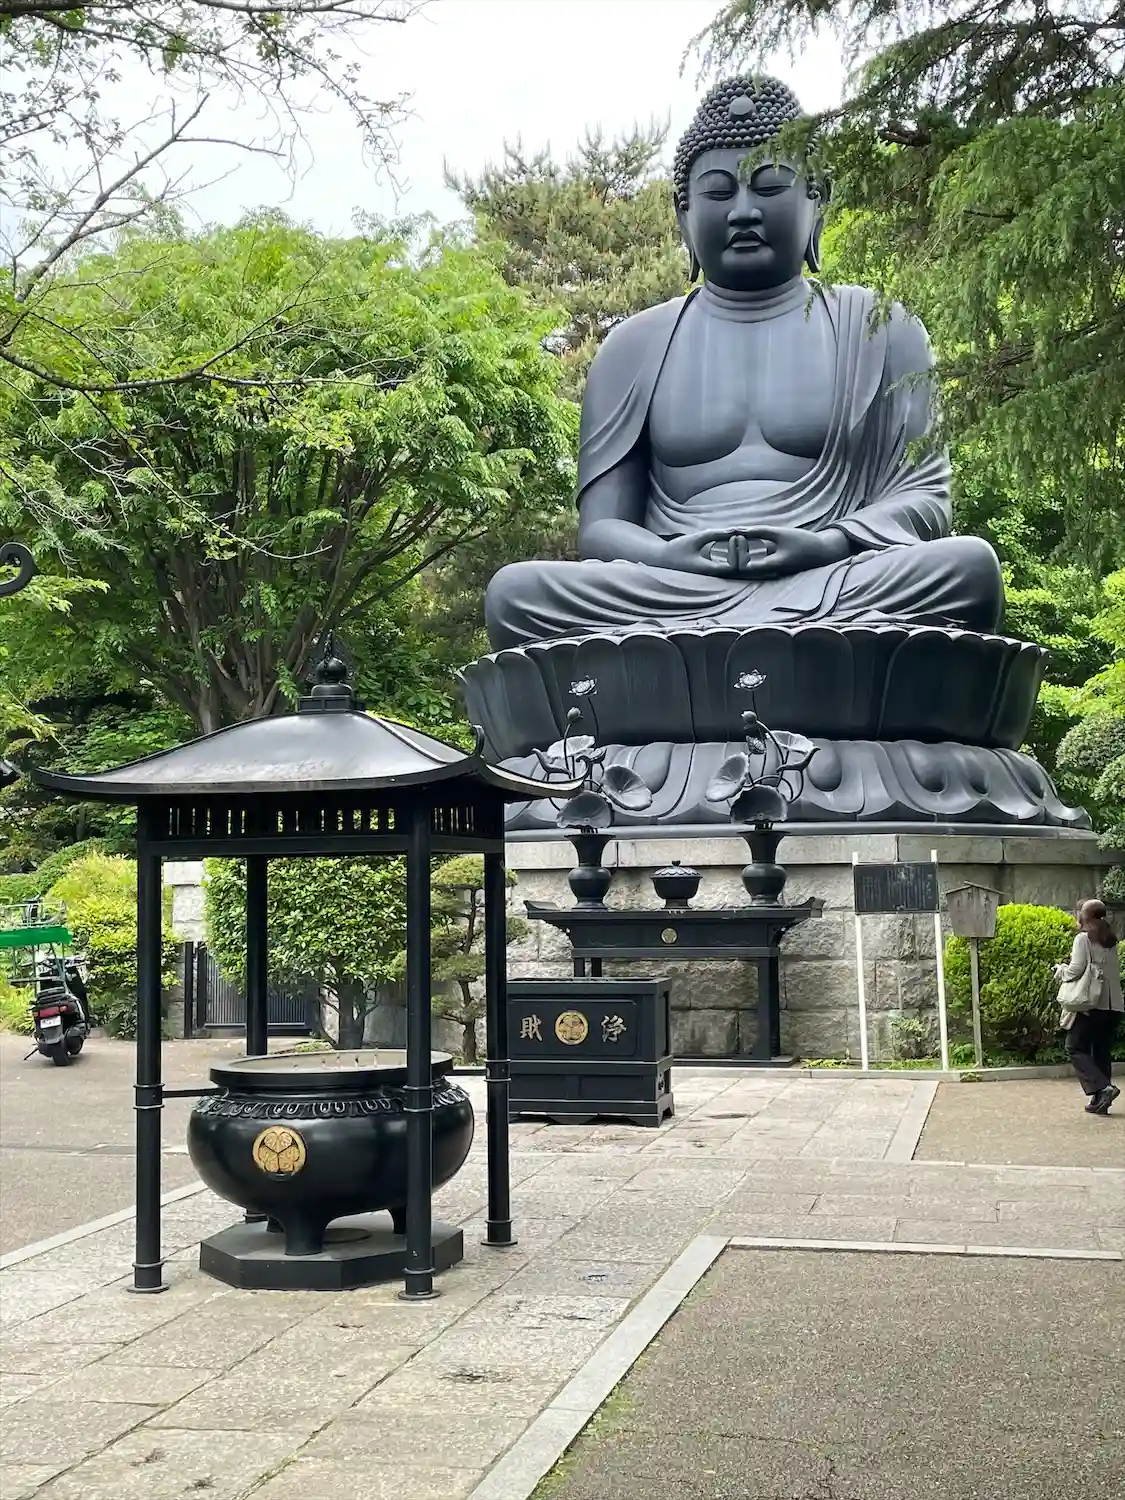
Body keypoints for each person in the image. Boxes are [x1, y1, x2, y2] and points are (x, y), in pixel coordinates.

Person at [484, 73, 1004, 651]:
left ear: (816, 199)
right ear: (683, 214)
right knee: (516, 594)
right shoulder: (633, 346)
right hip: (674, 589)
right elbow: (603, 530)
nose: (743, 211)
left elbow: (926, 500)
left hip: (834, 577)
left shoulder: (880, 327)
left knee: (967, 570)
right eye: (717, 192)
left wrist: (830, 543)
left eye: (770, 184)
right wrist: (668, 556)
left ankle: (684, 669)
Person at [1055, 899, 1122, 1114]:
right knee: (1101, 1051)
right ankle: (1100, 1101)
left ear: (1084, 916)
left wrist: (1060, 971)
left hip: (1091, 1005)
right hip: (1114, 1006)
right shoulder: (1111, 940)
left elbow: (1076, 969)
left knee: (1074, 1047)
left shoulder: (1083, 938)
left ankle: (1103, 1088)